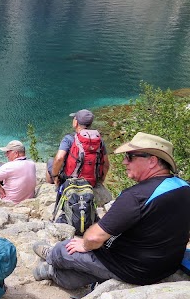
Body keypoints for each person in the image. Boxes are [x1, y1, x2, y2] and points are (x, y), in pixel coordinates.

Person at [33, 132, 190, 289]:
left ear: (152, 161)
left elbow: (94, 237)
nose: (124, 162)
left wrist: (85, 244)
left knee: (65, 248)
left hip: (132, 268)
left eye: (130, 156)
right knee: (88, 269)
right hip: (167, 265)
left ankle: (52, 261)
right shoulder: (184, 187)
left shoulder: (136, 196)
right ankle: (55, 270)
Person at [46, 109, 110, 189]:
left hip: (71, 181)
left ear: (75, 122)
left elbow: (59, 158)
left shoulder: (69, 139)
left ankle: (53, 188)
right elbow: (106, 164)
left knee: (50, 162)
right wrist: (101, 180)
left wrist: (55, 176)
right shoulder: (98, 140)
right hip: (91, 182)